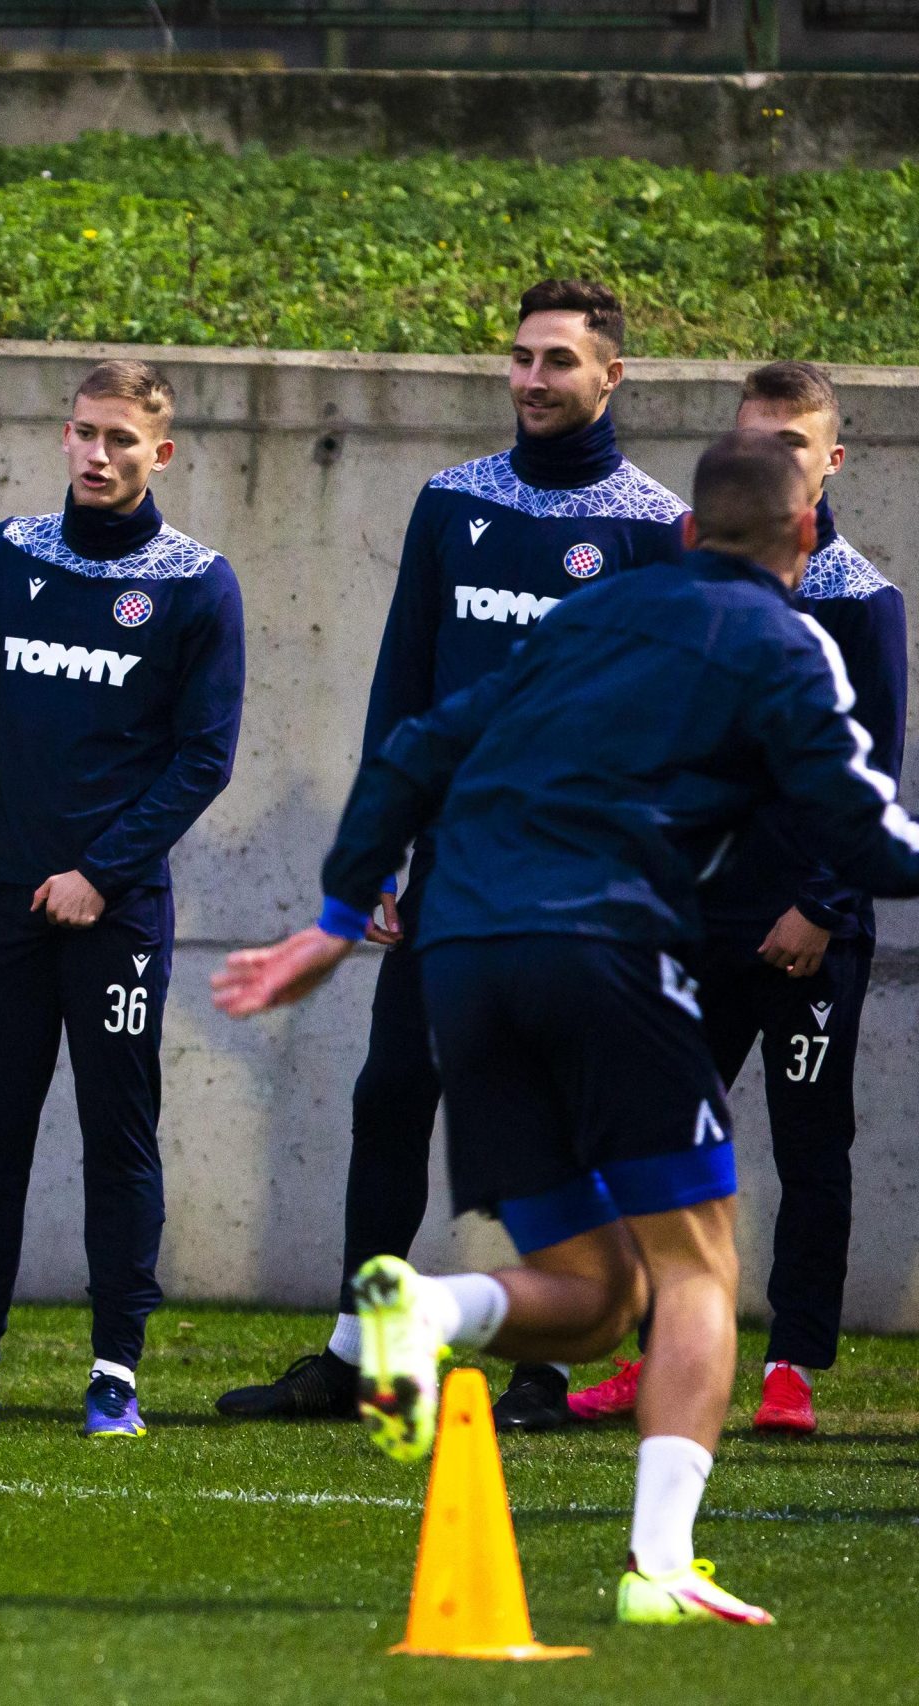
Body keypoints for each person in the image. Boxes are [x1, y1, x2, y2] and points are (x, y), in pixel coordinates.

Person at [212, 430, 919, 1626]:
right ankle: (660, 1566)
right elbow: (862, 832)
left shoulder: (591, 615)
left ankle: (425, 1308)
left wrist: (337, 918)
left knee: (593, 1295)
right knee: (698, 1265)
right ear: (807, 535)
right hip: (601, 948)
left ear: (686, 532)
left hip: (464, 956)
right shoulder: (785, 639)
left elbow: (419, 745)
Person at [215, 278, 688, 1432]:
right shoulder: (449, 502)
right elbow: (402, 687)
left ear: (610, 376)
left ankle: (546, 1367)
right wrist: (376, 852)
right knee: (392, 1092)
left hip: (576, 880)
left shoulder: (648, 525)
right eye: (521, 359)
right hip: (448, 870)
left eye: (558, 363)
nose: (532, 379)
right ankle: (360, 1352)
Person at [0, 359, 244, 1438]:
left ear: (157, 453)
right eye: (82, 433)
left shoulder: (195, 582)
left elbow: (202, 760)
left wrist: (99, 872)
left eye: (121, 440)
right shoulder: (6, 555)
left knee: (118, 1136)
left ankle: (114, 1372)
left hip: (113, 910)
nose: (97, 454)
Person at [569, 361, 904, 1437]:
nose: (769, 460)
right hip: (695, 922)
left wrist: (819, 903)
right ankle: (656, 1349)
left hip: (808, 930)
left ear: (829, 462)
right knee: (659, 1141)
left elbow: (876, 775)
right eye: (752, 440)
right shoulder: (694, 583)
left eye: (791, 445)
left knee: (811, 1147)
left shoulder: (862, 598)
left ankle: (792, 1364)